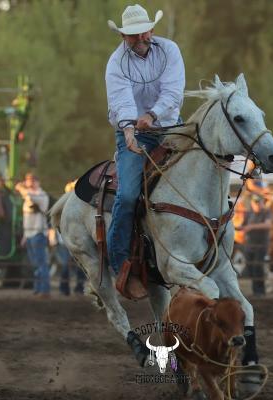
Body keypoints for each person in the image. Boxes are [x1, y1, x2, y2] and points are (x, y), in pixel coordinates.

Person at [105, 4, 185, 298]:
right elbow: (121, 102)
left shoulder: (170, 51)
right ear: (124, 36)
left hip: (168, 125)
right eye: (132, 35)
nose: (139, 39)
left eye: (143, 32)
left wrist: (152, 115)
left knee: (205, 165)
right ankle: (122, 264)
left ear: (151, 30)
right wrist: (129, 130)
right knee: (127, 195)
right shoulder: (116, 63)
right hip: (135, 131)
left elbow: (174, 92)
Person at [15, 173, 51, 298]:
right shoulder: (28, 196)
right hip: (30, 233)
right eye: (28, 180)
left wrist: (21, 188)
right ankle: (38, 288)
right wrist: (25, 236)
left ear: (38, 182)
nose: (30, 183)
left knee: (41, 263)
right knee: (35, 264)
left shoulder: (42, 195)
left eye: (32, 180)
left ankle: (45, 289)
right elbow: (26, 219)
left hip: (38, 233)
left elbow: (30, 197)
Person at [241, 194, 270, 296]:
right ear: (252, 204)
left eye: (259, 203)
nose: (257, 205)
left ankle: (260, 291)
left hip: (261, 245)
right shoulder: (248, 213)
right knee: (250, 267)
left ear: (262, 203)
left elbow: (268, 225)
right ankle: (255, 290)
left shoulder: (266, 212)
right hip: (249, 245)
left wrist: (251, 227)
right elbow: (243, 226)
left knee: (258, 267)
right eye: (255, 203)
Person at [49, 228, 86, 296]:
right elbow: (53, 225)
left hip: (75, 242)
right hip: (63, 243)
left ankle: (79, 288)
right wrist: (53, 240)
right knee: (66, 265)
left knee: (79, 265)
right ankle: (65, 289)